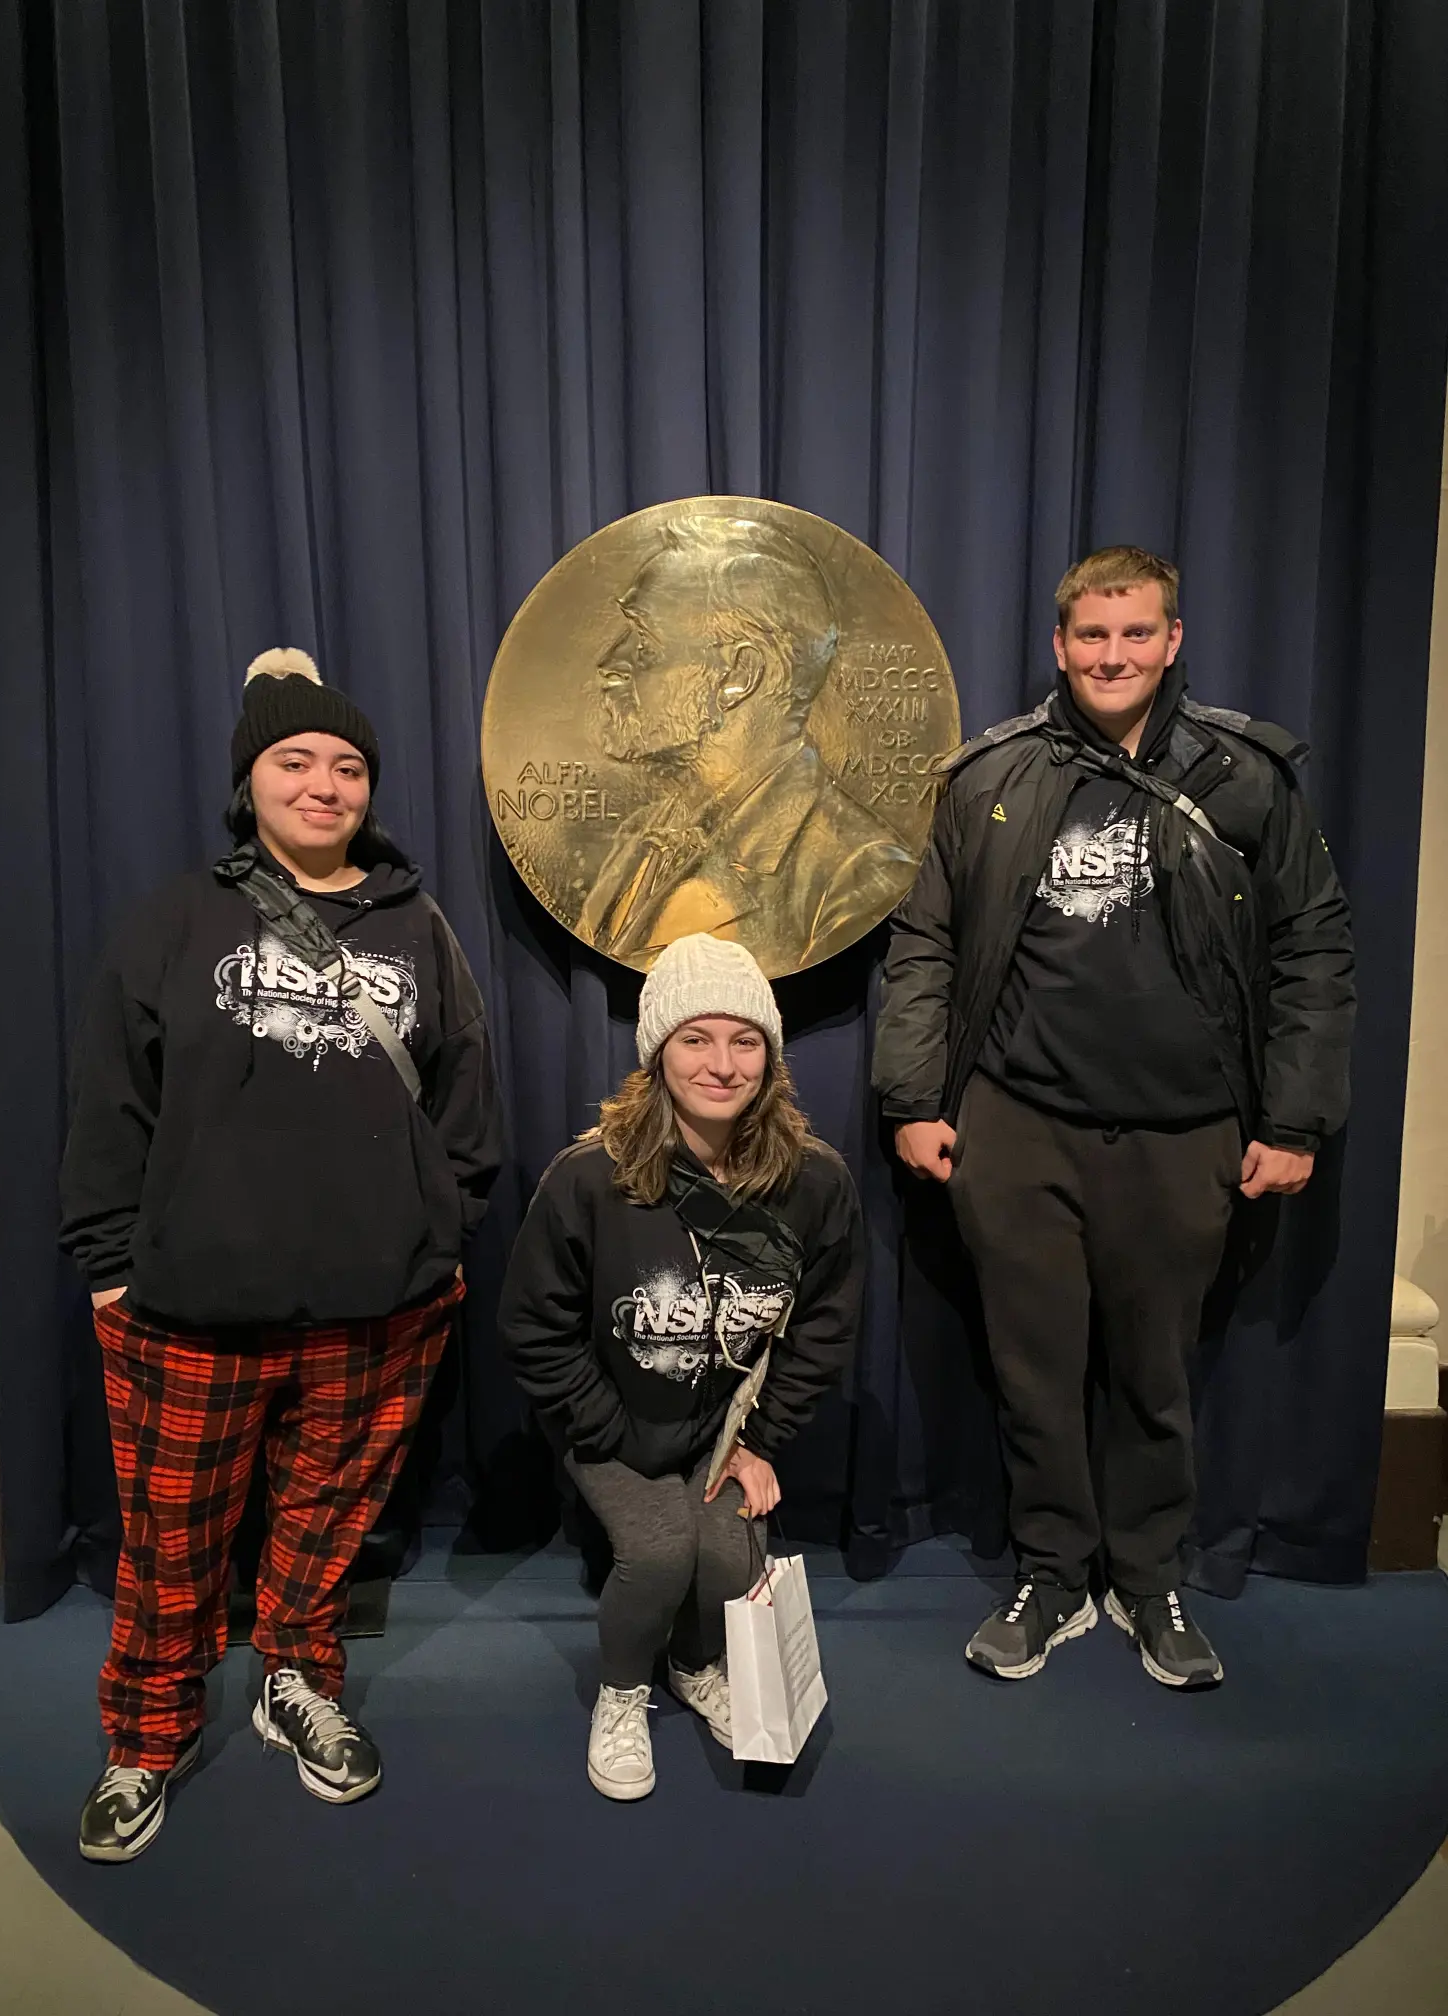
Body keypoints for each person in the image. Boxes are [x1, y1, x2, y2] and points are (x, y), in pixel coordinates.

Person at [873, 547, 1355, 1690]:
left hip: (1186, 1131)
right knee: (1032, 1372)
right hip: (1018, 1125)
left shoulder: (1246, 777)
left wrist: (1295, 1121)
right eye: (1092, 635)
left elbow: (1314, 949)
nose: (1113, 655)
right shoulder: (990, 775)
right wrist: (912, 1098)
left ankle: (1148, 1581)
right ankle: (1052, 1576)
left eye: (1137, 633)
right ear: (1060, 645)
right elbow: (925, 943)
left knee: (1155, 1374)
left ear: (1173, 640)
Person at [59, 648, 501, 1860]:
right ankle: (148, 1733)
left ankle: (299, 1679)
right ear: (249, 779)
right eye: (295, 761)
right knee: (172, 1543)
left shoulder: (418, 926)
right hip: (189, 1306)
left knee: (326, 1522)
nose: (323, 785)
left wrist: (440, 1236)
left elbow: (466, 1098)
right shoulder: (175, 920)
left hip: (380, 1304)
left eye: (347, 765)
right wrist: (110, 1267)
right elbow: (111, 1101)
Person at [499, 933, 862, 1798]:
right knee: (661, 1555)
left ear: (770, 1058)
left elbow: (825, 1324)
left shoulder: (813, 1183)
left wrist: (761, 1440)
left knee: (732, 1558)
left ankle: (696, 1667)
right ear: (658, 1051)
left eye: (745, 1042)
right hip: (612, 1418)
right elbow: (533, 1326)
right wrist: (610, 1430)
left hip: (725, 1425)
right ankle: (623, 1693)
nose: (722, 1065)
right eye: (696, 1039)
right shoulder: (591, 1177)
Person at [577, 517, 915, 969]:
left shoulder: (859, 874)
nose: (609, 662)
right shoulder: (639, 837)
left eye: (644, 644)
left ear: (738, 676)